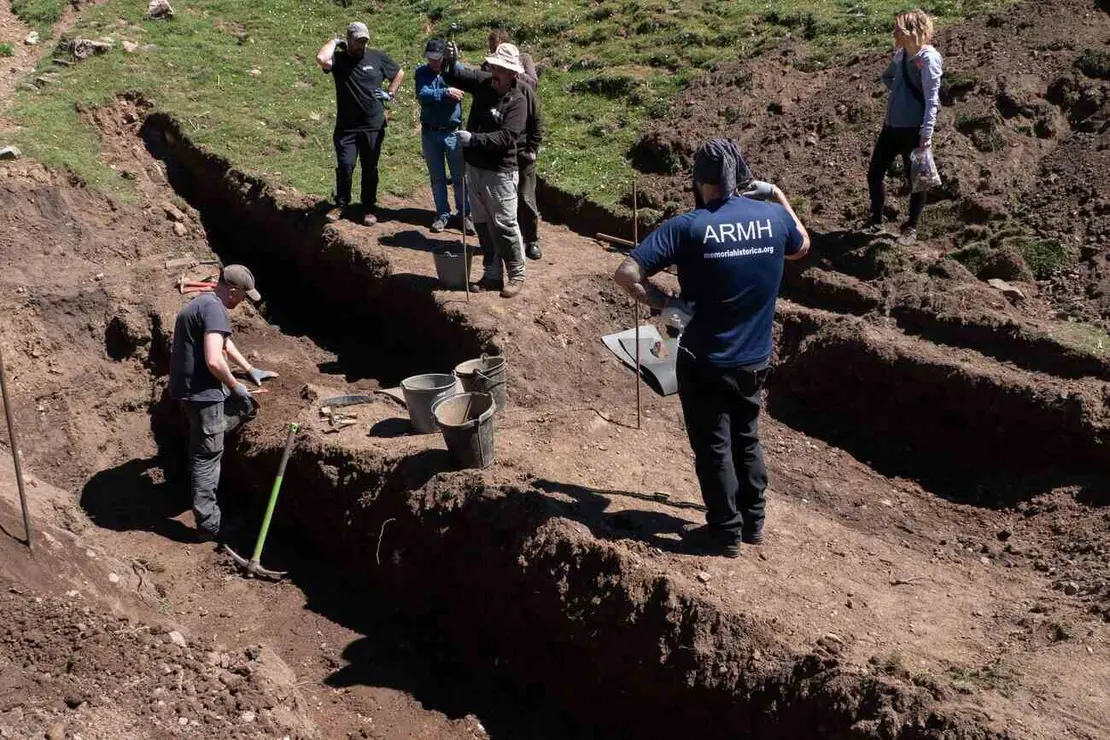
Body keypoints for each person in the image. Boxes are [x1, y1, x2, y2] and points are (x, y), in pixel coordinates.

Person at [612, 140, 810, 558]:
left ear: (699, 180)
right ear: (743, 176)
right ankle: (753, 522)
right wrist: (776, 194)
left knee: (714, 445)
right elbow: (802, 246)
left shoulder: (688, 227)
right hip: (754, 358)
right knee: (746, 436)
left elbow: (626, 273)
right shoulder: (774, 217)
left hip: (704, 360)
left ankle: (725, 531)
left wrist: (666, 304)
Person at [169, 265, 279, 542]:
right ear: (232, 291)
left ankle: (206, 442)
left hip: (188, 391)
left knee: (211, 438)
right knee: (207, 458)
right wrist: (234, 385)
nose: (244, 302)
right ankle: (209, 526)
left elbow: (224, 344)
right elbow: (215, 359)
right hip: (202, 394)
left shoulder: (204, 302)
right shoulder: (215, 309)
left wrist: (250, 369)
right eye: (243, 296)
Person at [441, 41, 528, 298]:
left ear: (512, 73)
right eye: (494, 67)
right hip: (476, 168)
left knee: (505, 225)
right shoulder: (483, 82)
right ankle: (492, 273)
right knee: (482, 223)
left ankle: (516, 275)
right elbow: (454, 76)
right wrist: (451, 61)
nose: (495, 72)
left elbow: (507, 137)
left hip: (500, 172)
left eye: (500, 69)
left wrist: (473, 140)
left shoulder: (517, 101)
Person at [865, 9, 943, 246]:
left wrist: (926, 133)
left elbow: (932, 99)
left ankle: (911, 227)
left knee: (917, 180)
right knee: (874, 174)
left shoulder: (928, 59)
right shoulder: (900, 54)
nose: (894, 33)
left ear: (911, 31)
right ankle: (876, 220)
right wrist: (900, 94)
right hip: (891, 126)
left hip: (913, 130)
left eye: (898, 29)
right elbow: (887, 77)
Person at [316, 22, 405, 227]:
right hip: (346, 128)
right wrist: (334, 41)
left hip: (373, 126)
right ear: (348, 39)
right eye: (358, 41)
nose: (361, 45)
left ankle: (369, 207)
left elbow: (399, 72)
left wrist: (390, 93)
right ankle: (341, 204)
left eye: (364, 41)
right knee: (346, 166)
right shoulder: (339, 60)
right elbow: (321, 59)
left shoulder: (377, 57)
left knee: (370, 168)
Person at [484, 30, 544, 260]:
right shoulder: (489, 78)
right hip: (499, 148)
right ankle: (504, 241)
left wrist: (532, 148)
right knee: (499, 198)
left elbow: (537, 119)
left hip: (521, 148)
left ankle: (532, 240)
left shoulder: (524, 83)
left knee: (526, 197)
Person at [414, 39, 475, 235]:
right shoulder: (422, 72)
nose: (432, 62)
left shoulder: (455, 71)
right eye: (430, 58)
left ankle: (465, 214)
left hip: (452, 132)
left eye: (436, 59)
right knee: (437, 177)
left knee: (459, 177)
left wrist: (442, 93)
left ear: (444, 57)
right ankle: (442, 214)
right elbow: (423, 94)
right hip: (430, 133)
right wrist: (444, 92)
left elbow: (461, 91)